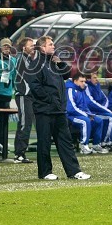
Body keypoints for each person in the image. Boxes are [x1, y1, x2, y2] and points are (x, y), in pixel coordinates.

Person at [26, 35, 90, 180]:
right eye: (50, 44)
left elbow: (67, 74)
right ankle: (45, 172)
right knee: (44, 142)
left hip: (58, 110)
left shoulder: (53, 63)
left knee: (65, 142)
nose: (54, 46)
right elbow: (35, 87)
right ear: (42, 47)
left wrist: (60, 63)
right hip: (44, 110)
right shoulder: (35, 65)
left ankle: (74, 171)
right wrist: (50, 100)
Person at [66, 73, 108, 154]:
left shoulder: (81, 90)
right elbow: (71, 108)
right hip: (70, 116)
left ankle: (96, 145)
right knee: (85, 121)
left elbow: (84, 106)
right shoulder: (70, 90)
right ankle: (84, 146)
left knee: (98, 120)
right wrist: (86, 115)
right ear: (75, 81)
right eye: (81, 81)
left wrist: (90, 114)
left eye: (84, 81)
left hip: (80, 114)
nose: (84, 83)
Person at [85, 73, 112, 151]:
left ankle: (111, 141)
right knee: (111, 117)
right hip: (93, 112)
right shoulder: (86, 87)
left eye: (97, 77)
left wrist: (104, 108)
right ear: (88, 79)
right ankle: (104, 143)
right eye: (94, 78)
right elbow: (91, 103)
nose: (97, 79)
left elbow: (105, 99)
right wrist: (106, 110)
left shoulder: (97, 86)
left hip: (100, 110)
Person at [13, 37, 36, 163]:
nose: (33, 47)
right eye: (31, 45)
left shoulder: (27, 59)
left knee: (25, 124)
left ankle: (20, 153)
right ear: (24, 47)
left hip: (27, 95)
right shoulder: (22, 59)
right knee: (24, 124)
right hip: (23, 95)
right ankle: (19, 154)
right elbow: (26, 76)